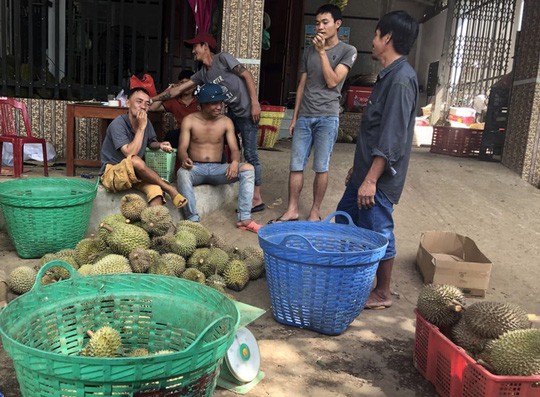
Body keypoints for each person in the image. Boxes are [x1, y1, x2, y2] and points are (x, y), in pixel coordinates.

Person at [336, 10, 419, 310]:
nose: (372, 40)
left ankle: (382, 292)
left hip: (379, 181)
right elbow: (374, 133)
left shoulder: (400, 82)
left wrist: (370, 179)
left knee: (378, 230)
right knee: (344, 221)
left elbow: (391, 139)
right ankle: (346, 277)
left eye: (375, 34)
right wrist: (358, 170)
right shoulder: (388, 77)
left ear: (387, 38)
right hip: (364, 174)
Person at [151, 32, 266, 213]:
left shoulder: (223, 59)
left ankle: (256, 198)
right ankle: (217, 171)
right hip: (232, 114)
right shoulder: (202, 74)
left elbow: (247, 76)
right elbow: (178, 90)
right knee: (219, 140)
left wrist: (254, 102)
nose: (193, 51)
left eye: (195, 47)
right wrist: (151, 99)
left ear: (205, 46)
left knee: (250, 154)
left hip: (246, 112)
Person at [268, 4, 357, 223]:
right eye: (317, 23)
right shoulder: (308, 51)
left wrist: (322, 52)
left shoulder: (348, 51)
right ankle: (292, 209)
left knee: (321, 167)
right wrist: (295, 117)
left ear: (337, 24)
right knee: (296, 165)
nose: (320, 27)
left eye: (325, 22)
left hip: (328, 116)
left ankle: (315, 211)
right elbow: (302, 85)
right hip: (305, 117)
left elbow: (333, 81)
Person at [176, 83, 261, 233]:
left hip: (218, 170)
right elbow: (182, 148)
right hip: (195, 168)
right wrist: (184, 158)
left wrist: (234, 162)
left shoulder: (226, 122)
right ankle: (192, 219)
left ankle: (244, 218)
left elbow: (235, 149)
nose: (219, 106)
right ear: (202, 104)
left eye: (220, 102)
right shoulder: (189, 120)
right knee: (182, 173)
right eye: (214, 103)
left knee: (248, 169)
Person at [100, 87, 188, 208]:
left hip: (135, 174)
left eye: (147, 103)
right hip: (113, 173)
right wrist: (141, 128)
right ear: (128, 103)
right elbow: (130, 154)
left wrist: (160, 145)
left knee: (156, 191)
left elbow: (150, 142)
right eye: (139, 102)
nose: (143, 106)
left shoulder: (146, 122)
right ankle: (170, 189)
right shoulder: (118, 124)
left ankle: (154, 222)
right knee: (136, 160)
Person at [149, 69, 199, 149]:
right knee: (171, 135)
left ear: (195, 86)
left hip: (198, 134)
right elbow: (153, 108)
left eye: (188, 84)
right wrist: (168, 91)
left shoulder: (200, 101)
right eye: (182, 83)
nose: (185, 87)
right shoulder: (173, 102)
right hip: (180, 134)